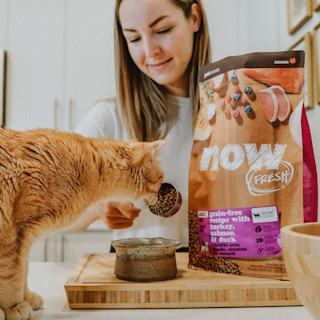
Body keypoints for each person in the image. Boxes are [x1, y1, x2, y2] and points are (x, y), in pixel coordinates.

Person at [68, 0, 212, 250]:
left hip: (214, 275)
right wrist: (96, 208)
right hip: (137, 275)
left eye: (163, 30)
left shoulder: (232, 109)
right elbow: (53, 213)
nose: (150, 51)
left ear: (195, 18)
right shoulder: (110, 115)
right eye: (134, 39)